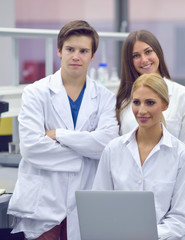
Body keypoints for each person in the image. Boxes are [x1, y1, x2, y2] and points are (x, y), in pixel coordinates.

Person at [7, 20, 119, 240]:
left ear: (92, 55)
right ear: (59, 51)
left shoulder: (105, 98)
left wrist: (58, 135)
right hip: (43, 202)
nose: (76, 56)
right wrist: (86, 155)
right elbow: (31, 148)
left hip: (85, 199)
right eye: (70, 49)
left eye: (83, 51)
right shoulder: (35, 93)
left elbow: (107, 144)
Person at [93, 73, 185, 240]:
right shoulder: (113, 150)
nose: (141, 111)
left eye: (150, 103)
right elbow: (99, 204)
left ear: (165, 105)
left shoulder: (183, 156)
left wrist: (146, 235)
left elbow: (181, 219)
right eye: (136, 102)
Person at [116, 29, 185, 173]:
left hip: (169, 182)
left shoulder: (183, 95)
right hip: (129, 183)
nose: (144, 60)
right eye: (136, 56)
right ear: (129, 62)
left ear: (158, 53)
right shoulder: (123, 100)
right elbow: (117, 150)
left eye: (148, 52)